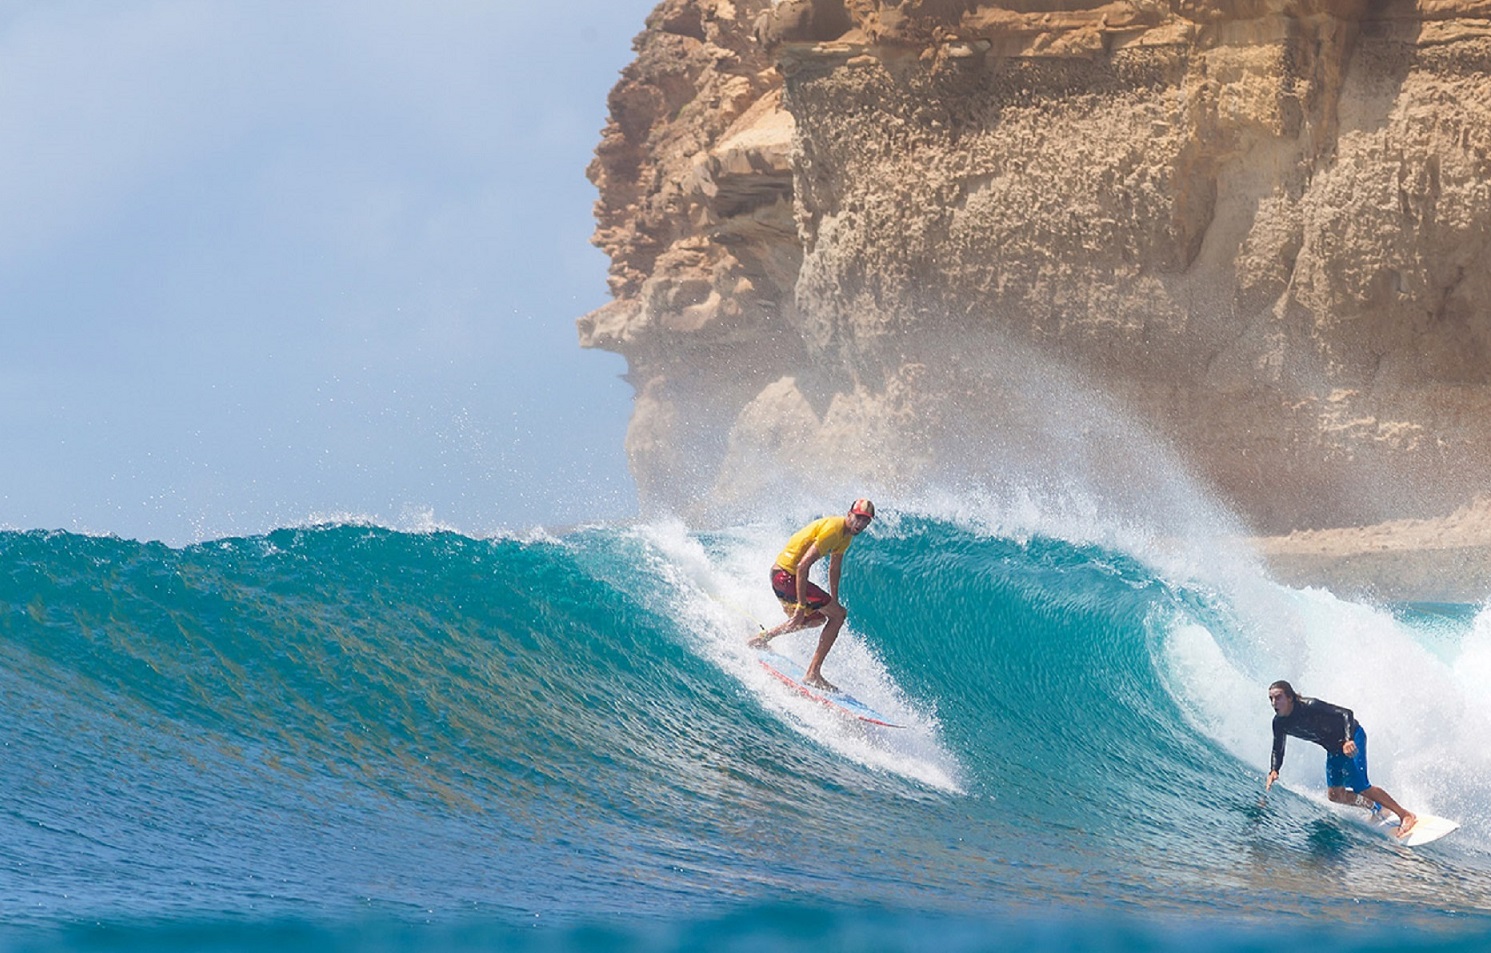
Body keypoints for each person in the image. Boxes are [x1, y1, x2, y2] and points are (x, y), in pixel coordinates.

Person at [748, 499, 875, 691]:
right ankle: (813, 674)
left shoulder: (846, 535)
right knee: (838, 616)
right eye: (858, 518)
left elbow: (835, 568)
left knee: (818, 619)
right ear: (849, 514)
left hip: (784, 577)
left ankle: (761, 639)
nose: (861, 524)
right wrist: (800, 607)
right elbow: (802, 566)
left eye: (866, 521)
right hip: (785, 576)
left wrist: (834, 600)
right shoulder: (833, 530)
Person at [1265, 680, 1417, 836]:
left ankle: (1405, 814)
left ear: (1290, 697)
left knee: (1361, 786)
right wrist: (1274, 770)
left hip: (1352, 737)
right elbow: (1278, 747)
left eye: (1278, 698)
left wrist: (1348, 739)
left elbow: (1346, 713)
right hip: (1334, 749)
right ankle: (1376, 806)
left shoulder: (1310, 706)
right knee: (1335, 795)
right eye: (1271, 699)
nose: (1273, 703)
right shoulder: (1279, 723)